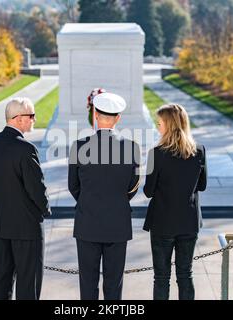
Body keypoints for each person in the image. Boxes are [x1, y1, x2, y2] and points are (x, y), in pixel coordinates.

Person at [69, 92, 141, 300]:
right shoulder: (131, 147)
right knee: (114, 283)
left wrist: (89, 201)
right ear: (118, 118)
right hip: (117, 223)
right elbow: (133, 186)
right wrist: (116, 200)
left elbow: (73, 185)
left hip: (87, 223)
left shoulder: (79, 146)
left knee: (88, 283)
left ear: (96, 115)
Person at [0, 98, 51, 300]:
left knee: (2, 280)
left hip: (1, 223)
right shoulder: (26, 148)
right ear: (18, 118)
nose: (34, 120)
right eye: (31, 116)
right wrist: (45, 209)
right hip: (27, 226)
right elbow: (36, 189)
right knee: (28, 283)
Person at [143, 104, 207, 300]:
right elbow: (202, 186)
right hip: (188, 222)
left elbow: (148, 191)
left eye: (160, 123)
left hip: (163, 223)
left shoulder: (157, 153)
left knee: (161, 277)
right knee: (185, 275)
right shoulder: (199, 151)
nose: (157, 126)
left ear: (169, 125)